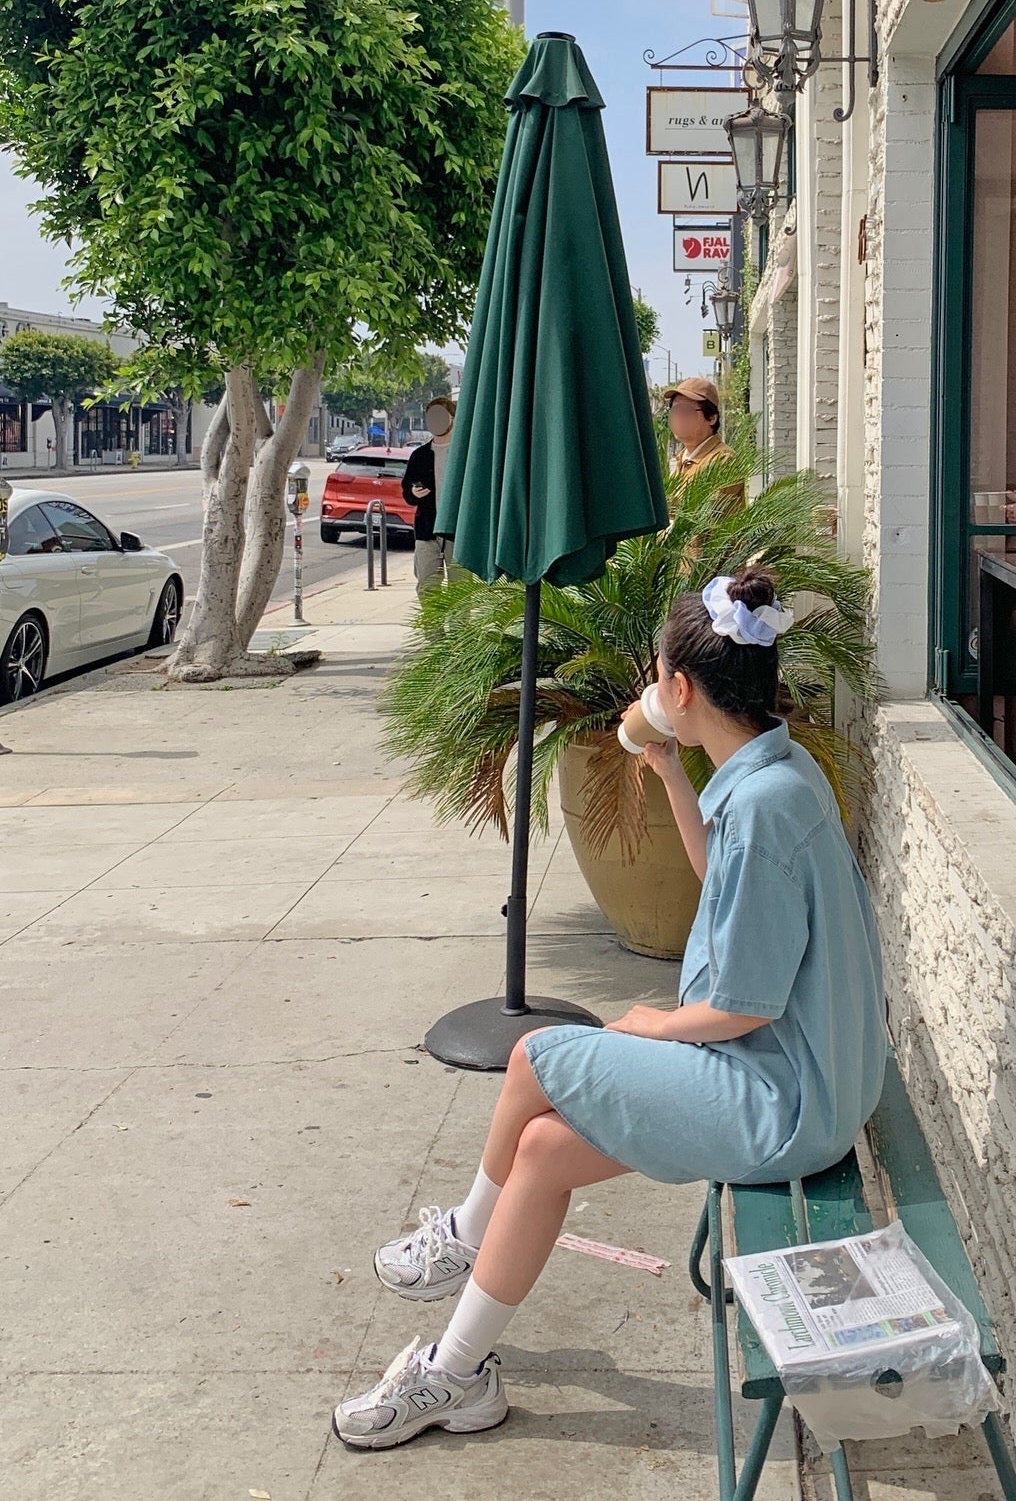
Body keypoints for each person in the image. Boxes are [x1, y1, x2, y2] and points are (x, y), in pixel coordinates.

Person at [331, 568, 889, 1451]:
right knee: (545, 1150)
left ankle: (465, 1236)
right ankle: (458, 1373)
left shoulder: (766, 807)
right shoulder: (775, 773)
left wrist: (651, 1025)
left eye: (656, 678)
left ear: (676, 689)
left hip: (784, 1100)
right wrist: (669, 767)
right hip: (810, 1081)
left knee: (538, 1056)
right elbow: (728, 891)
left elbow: (741, 1007)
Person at [402, 397, 457, 593]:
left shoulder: (463, 453)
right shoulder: (419, 455)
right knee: (427, 588)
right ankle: (434, 626)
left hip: (457, 532)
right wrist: (414, 493)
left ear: (453, 418)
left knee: (460, 592)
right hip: (427, 531)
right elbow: (407, 492)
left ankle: (460, 625)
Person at [664, 376, 730, 483]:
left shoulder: (722, 460)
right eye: (676, 410)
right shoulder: (682, 458)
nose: (679, 417)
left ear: (712, 418)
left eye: (687, 411)